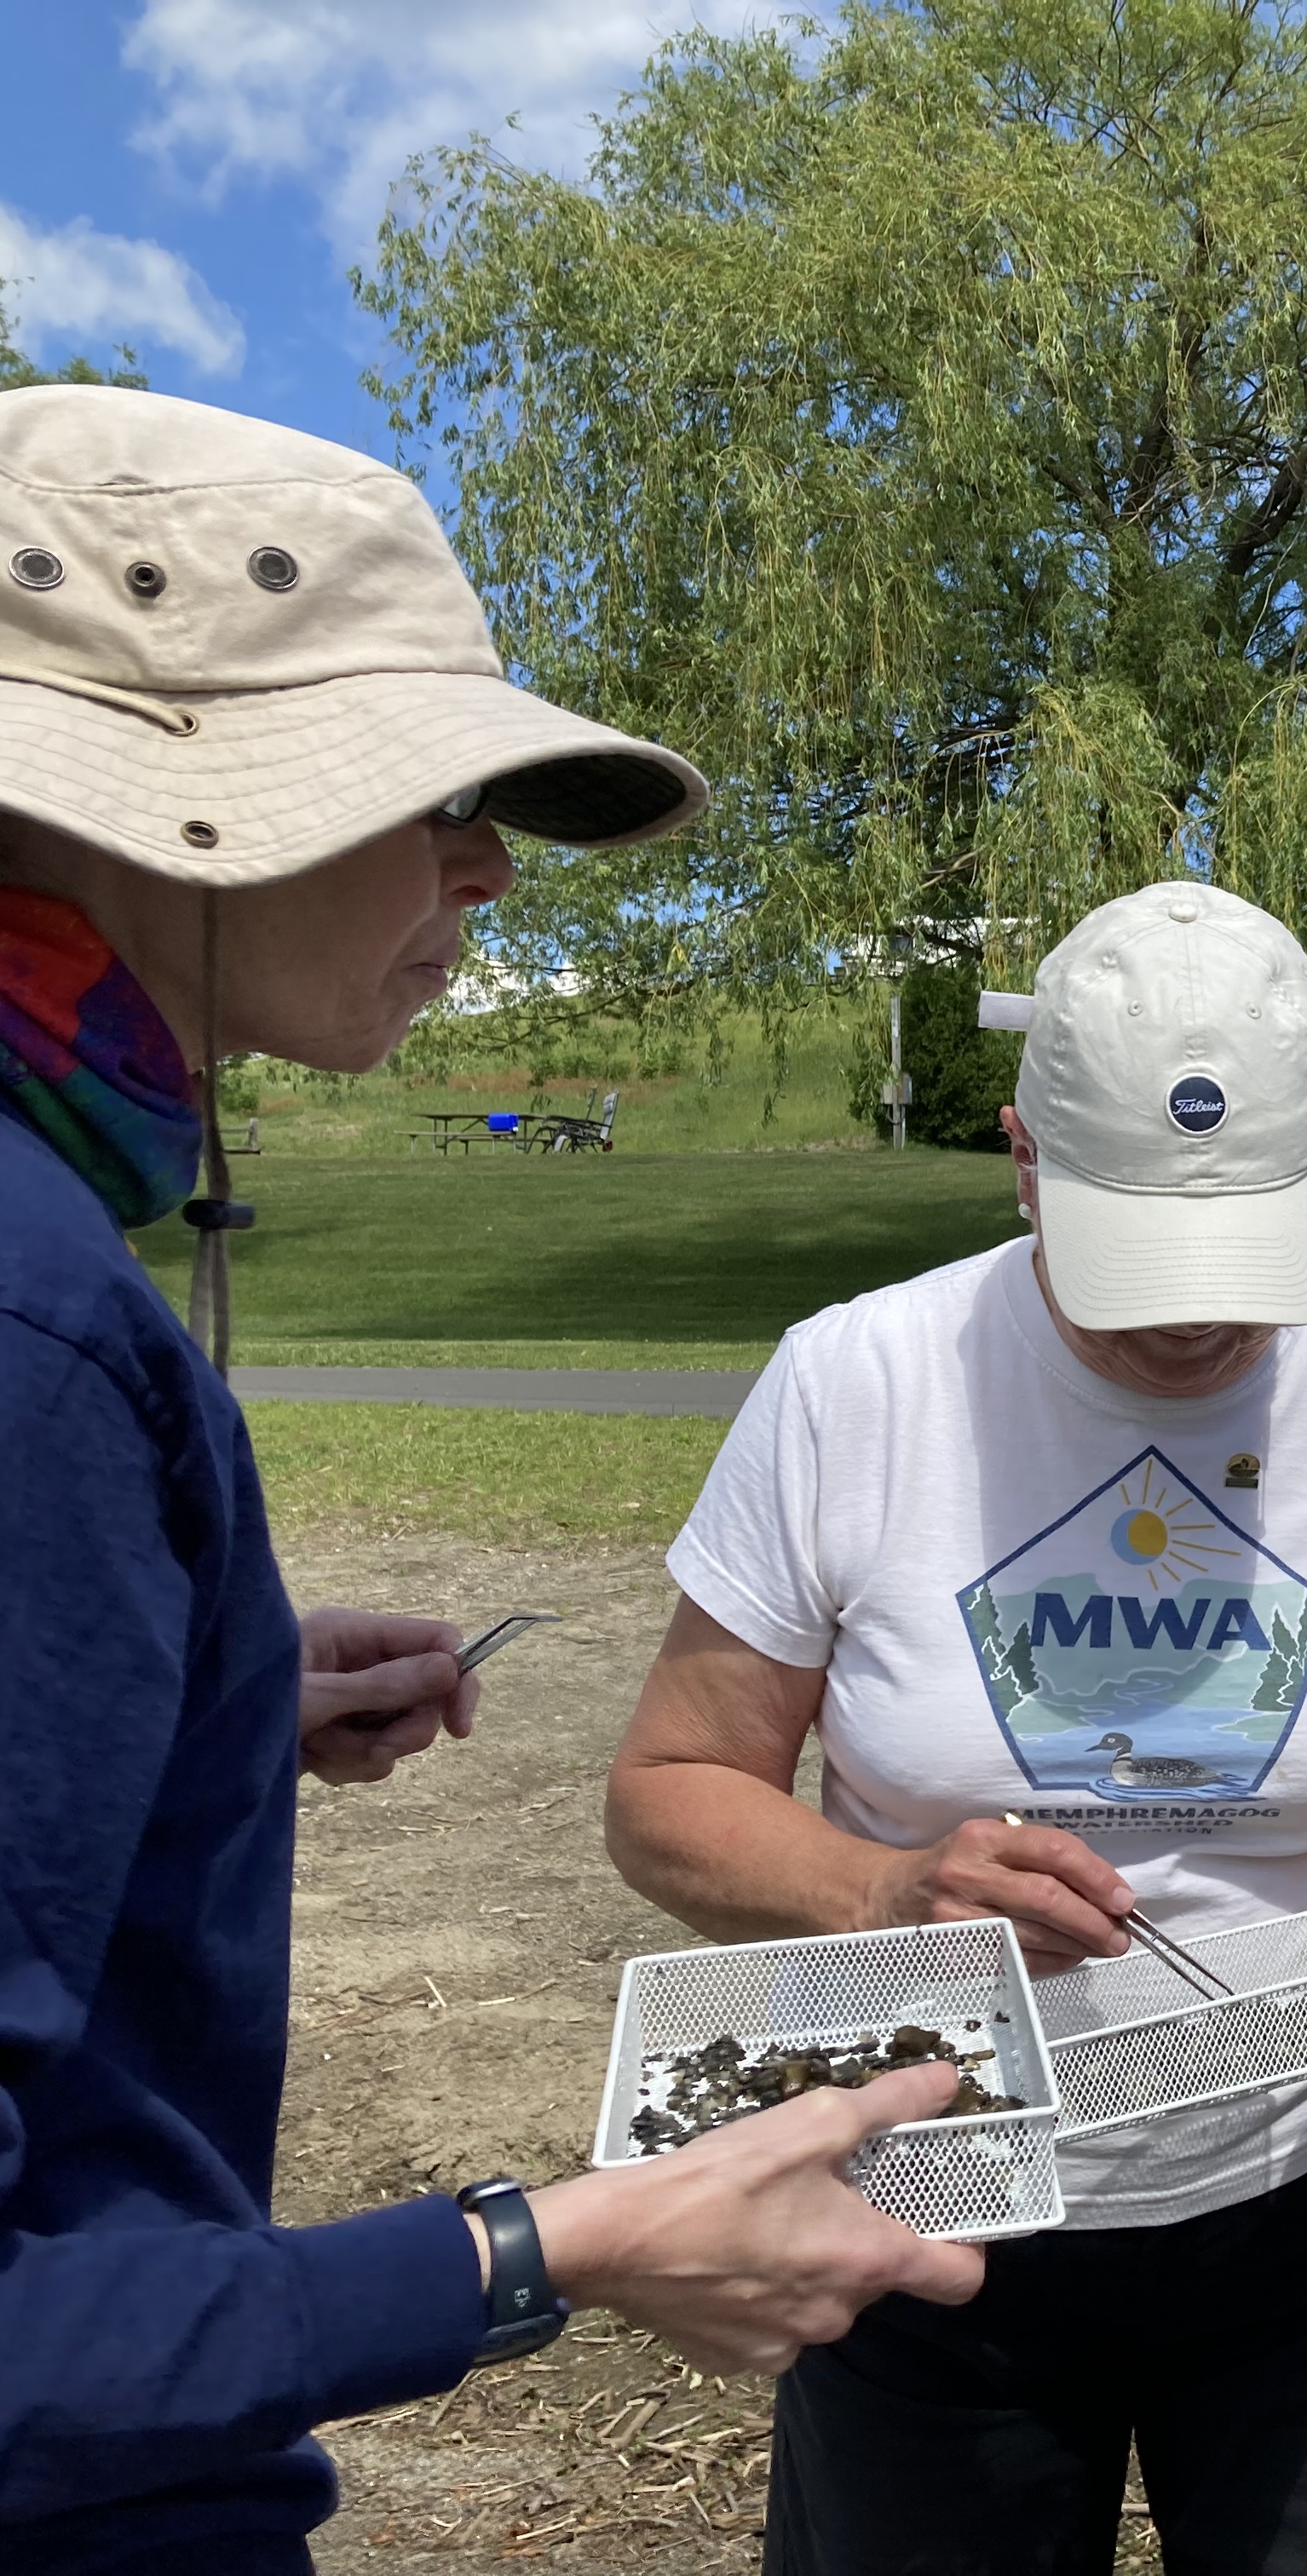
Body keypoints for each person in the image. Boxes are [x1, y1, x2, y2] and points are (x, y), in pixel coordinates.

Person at [0, 385, 986, 2575]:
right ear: (167, 805)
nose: (487, 866)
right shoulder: (34, 1328)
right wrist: (548, 2247)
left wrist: (210, 1695)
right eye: (426, 789)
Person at [603, 878, 1307, 2576]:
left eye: (1245, 1253)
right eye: (1139, 1251)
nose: (1194, 1321)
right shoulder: (859, 1385)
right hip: (933, 2194)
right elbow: (670, 1790)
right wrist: (879, 1889)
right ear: (1026, 1158)